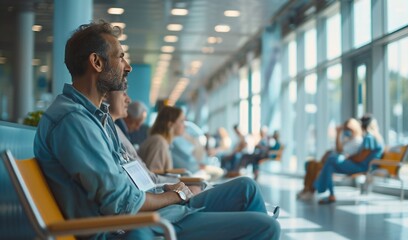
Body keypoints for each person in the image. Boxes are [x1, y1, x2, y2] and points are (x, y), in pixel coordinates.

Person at [33, 21, 280, 239]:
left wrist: (167, 191)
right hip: (134, 227)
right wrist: (177, 195)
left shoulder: (97, 117)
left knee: (246, 187)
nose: (127, 66)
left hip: (151, 214)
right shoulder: (73, 121)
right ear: (96, 62)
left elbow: (126, 183)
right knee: (265, 227)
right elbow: (121, 203)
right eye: (120, 57)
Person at [313, 114, 384, 204]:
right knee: (330, 166)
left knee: (331, 159)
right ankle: (330, 194)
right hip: (363, 165)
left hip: (363, 167)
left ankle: (318, 187)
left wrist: (349, 157)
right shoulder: (375, 138)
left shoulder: (369, 138)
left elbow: (360, 158)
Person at [297, 118, 363, 200]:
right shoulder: (348, 139)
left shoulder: (357, 141)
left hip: (340, 164)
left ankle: (311, 190)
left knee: (318, 167)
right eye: (345, 129)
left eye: (348, 129)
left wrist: (338, 134)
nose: (346, 131)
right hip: (335, 161)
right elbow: (336, 149)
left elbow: (340, 151)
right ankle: (307, 188)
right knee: (310, 163)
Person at [137, 106, 184, 172]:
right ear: (170, 124)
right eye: (181, 121)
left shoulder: (160, 141)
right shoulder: (159, 143)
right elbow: (153, 175)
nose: (184, 125)